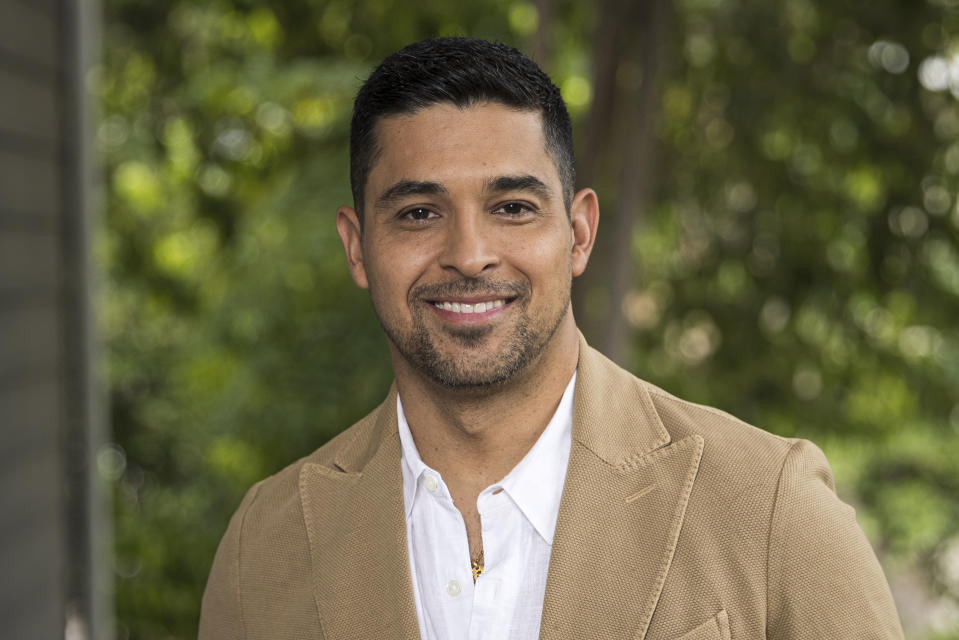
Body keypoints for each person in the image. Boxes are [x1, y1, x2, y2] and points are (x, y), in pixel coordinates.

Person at [199, 37, 903, 639]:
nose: (469, 253)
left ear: (579, 232)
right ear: (356, 248)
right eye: (418, 212)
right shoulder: (264, 545)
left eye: (511, 207)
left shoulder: (769, 506)